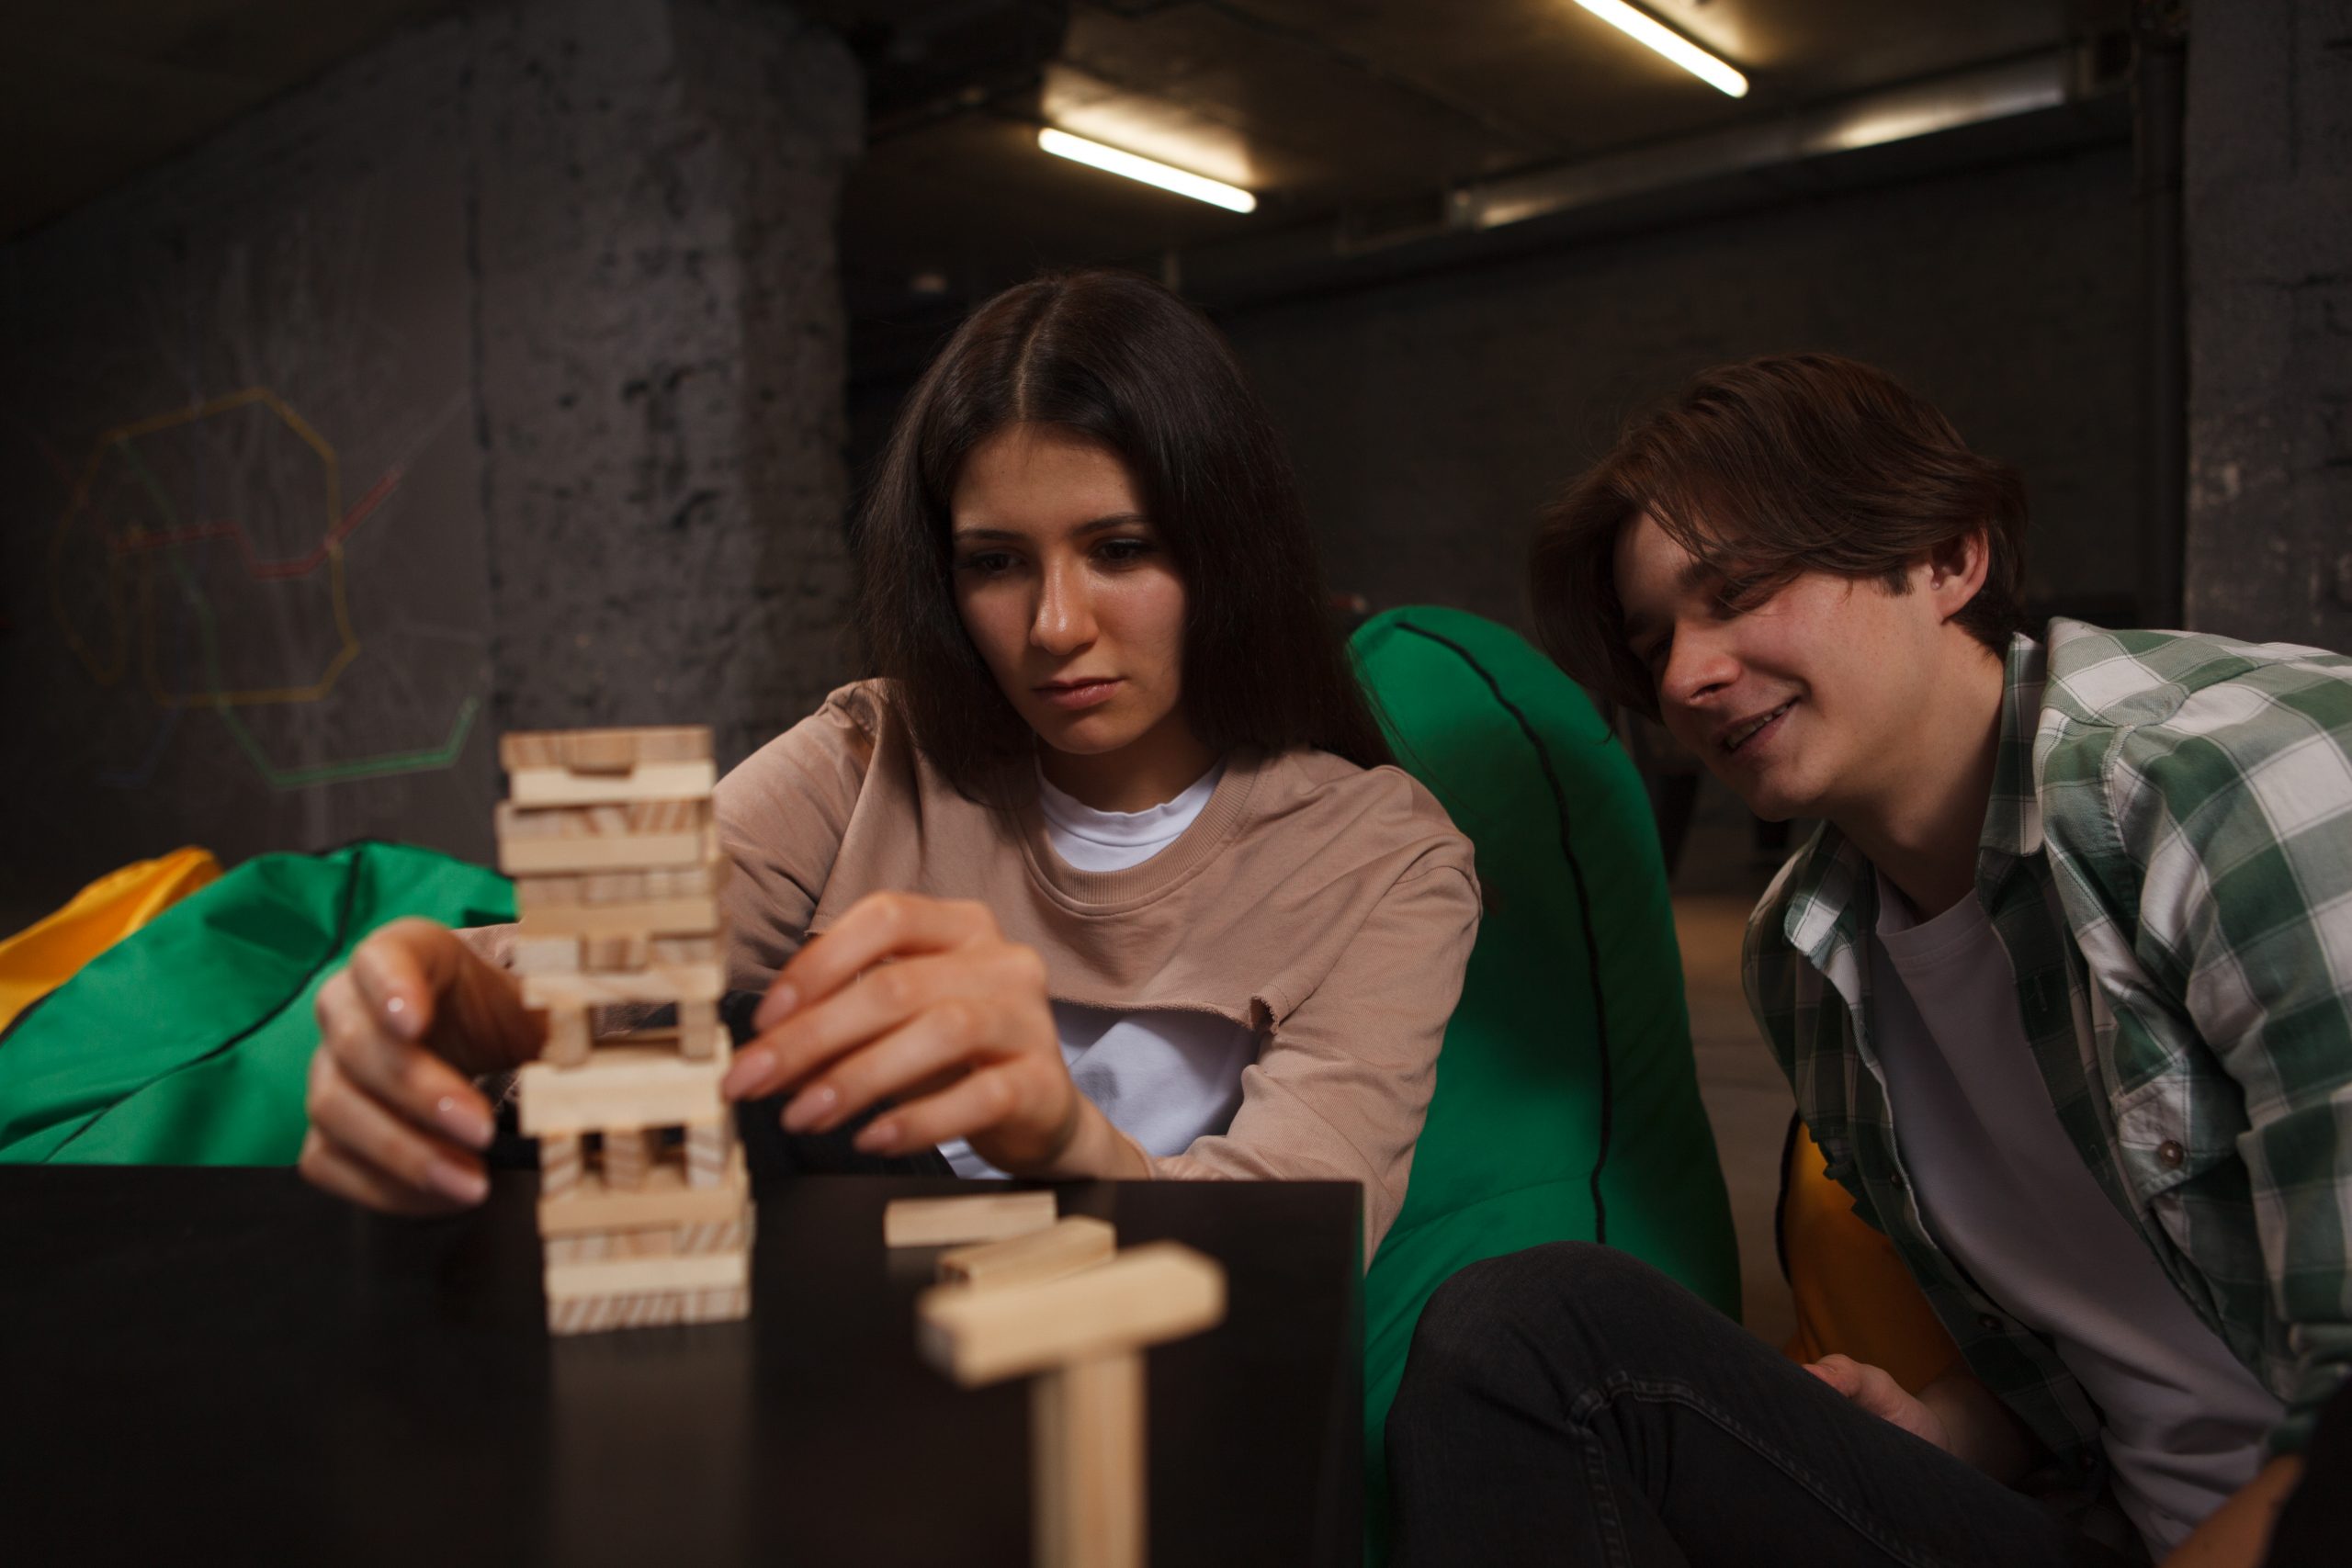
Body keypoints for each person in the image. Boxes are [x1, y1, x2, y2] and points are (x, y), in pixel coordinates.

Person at [1385, 353, 2352, 1566]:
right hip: (2122, 1522)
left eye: (1739, 591)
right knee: (1526, 1337)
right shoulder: (1808, 953)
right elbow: (2113, 1323)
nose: (1685, 677)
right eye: (1654, 641)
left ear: (1949, 557)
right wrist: (1952, 1428)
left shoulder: (2241, 786)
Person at [296, 267, 1480, 1255]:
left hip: (1116, 1376)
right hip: (815, 1340)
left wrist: (1058, 1138)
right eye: (996, 564)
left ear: (1228, 550)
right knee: (698, 1053)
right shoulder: (870, 747)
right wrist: (436, 1009)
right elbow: (585, 962)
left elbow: (1301, 1250)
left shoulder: (1384, 858)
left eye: (1120, 549)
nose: (1057, 624)